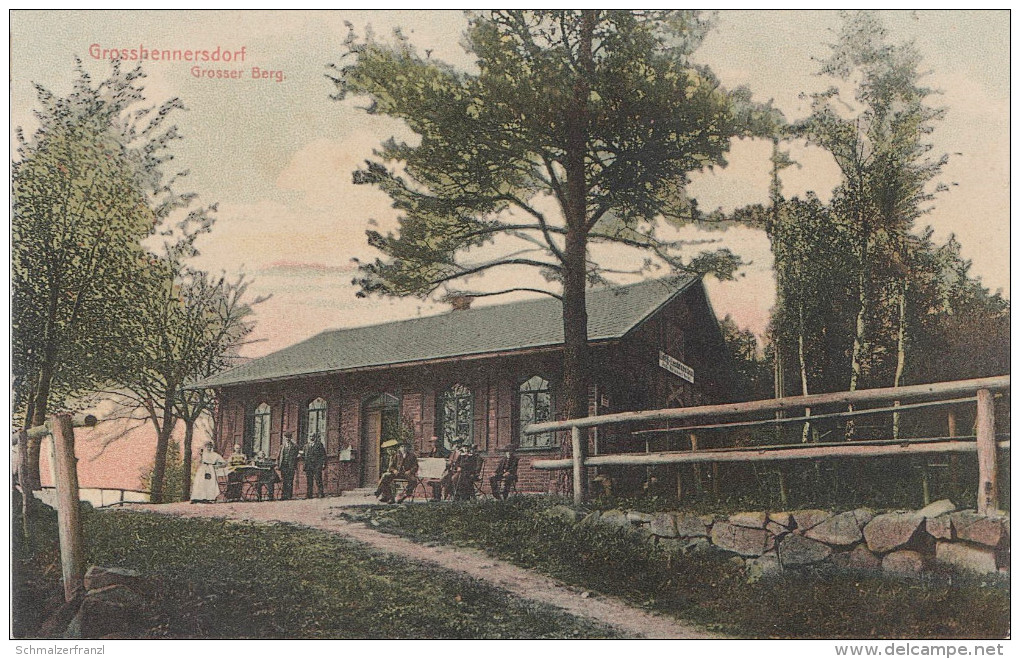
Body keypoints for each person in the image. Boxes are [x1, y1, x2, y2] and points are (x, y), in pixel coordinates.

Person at [276, 431, 300, 500]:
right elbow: (278, 456)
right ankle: (283, 496)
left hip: (291, 466)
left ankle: (289, 496)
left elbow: (297, 456)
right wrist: (278, 465)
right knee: (284, 481)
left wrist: (295, 464)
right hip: (283, 466)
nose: (287, 439)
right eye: (286, 437)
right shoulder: (282, 446)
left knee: (290, 481)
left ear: (291, 438)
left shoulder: (295, 446)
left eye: (288, 437)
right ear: (284, 438)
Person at [303, 433, 326, 498]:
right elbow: (304, 456)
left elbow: (323, 455)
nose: (311, 437)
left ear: (315, 437)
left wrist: (323, 464)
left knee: (318, 480)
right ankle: (309, 494)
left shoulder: (319, 445)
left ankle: (321, 493)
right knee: (309, 481)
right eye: (310, 436)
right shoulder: (306, 446)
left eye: (312, 436)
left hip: (317, 465)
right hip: (308, 466)